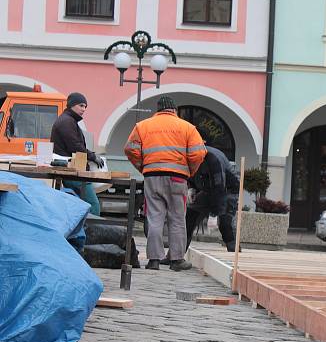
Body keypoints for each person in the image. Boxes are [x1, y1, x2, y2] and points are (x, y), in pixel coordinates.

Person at [124, 96, 206, 271]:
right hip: (178, 178)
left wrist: (143, 166)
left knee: (154, 218)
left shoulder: (143, 126)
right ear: (174, 110)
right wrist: (189, 171)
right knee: (177, 218)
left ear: (158, 109)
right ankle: (176, 260)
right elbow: (198, 153)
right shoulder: (187, 128)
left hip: (152, 176)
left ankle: (154, 260)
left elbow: (130, 149)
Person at [186, 127, 240, 253]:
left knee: (225, 223)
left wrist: (214, 214)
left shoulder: (212, 158)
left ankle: (233, 253)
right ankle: (177, 255)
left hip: (227, 191)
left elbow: (219, 187)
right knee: (189, 218)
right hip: (208, 190)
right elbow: (193, 174)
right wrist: (192, 188)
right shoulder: (192, 155)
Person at [50, 92, 104, 215]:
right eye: (81, 105)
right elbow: (75, 146)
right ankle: (92, 232)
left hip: (72, 171)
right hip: (73, 172)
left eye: (85, 106)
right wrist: (92, 156)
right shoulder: (67, 122)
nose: (84, 109)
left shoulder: (68, 120)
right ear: (72, 105)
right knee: (93, 205)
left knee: (78, 207)